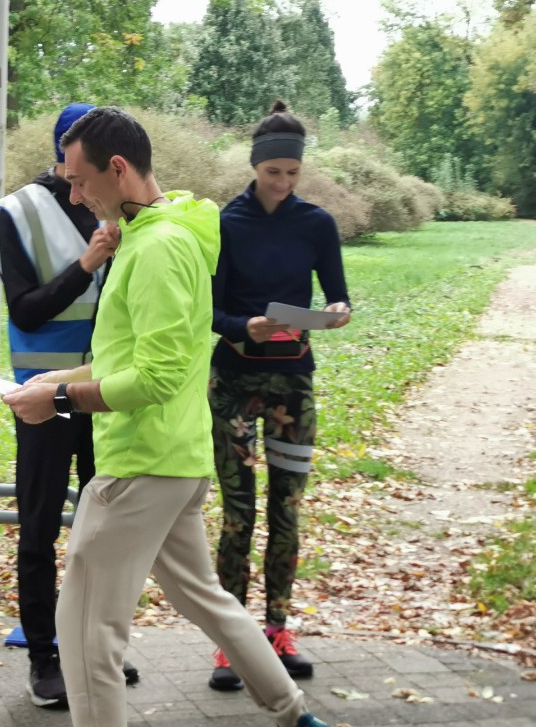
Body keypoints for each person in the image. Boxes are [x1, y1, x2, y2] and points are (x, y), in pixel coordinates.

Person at [3, 106, 331, 727]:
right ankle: (295, 714)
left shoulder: (156, 248)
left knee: (84, 634)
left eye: (78, 180)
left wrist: (61, 402)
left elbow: (154, 378)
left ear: (117, 168)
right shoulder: (158, 235)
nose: (74, 194)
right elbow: (141, 357)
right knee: (210, 601)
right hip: (173, 461)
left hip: (139, 467)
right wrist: (59, 378)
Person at [0, 102, 135, 707]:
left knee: (105, 531)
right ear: (62, 158)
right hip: (45, 400)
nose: (82, 183)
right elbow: (26, 310)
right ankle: (45, 657)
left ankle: (95, 654)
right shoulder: (13, 212)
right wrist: (88, 262)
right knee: (39, 528)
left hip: (105, 395)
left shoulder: (121, 206)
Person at [207, 99, 352, 691]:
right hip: (235, 383)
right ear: (255, 166)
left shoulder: (316, 223)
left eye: (293, 173)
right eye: (274, 173)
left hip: (294, 382)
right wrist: (244, 327)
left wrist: (338, 313)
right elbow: (206, 309)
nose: (284, 183)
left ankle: (276, 631)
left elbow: (338, 295)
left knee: (287, 510)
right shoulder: (224, 222)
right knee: (239, 514)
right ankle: (231, 643)